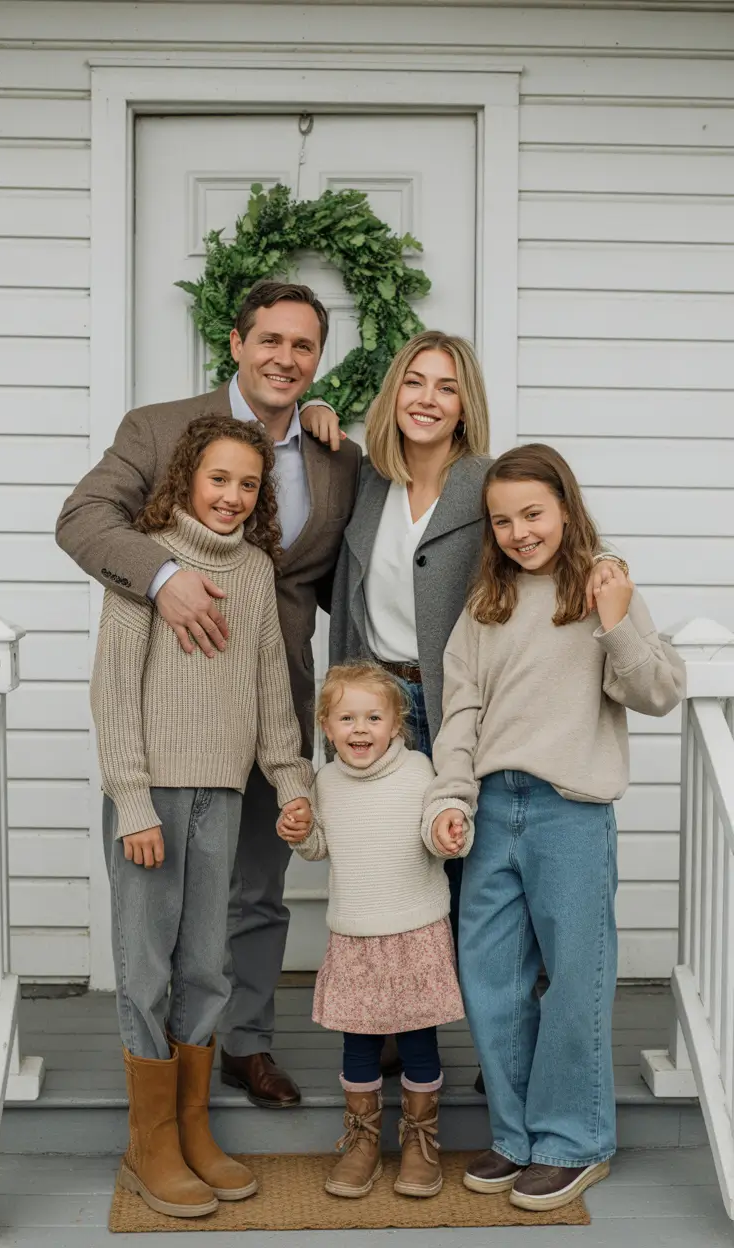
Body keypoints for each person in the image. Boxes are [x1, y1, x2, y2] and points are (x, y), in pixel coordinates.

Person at [58, 280, 360, 1108]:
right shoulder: (159, 428)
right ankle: (161, 1095)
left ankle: (247, 1045)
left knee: (258, 885)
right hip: (168, 706)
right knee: (160, 918)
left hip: (275, 696)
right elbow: (82, 517)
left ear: (317, 359)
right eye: (270, 341)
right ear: (236, 342)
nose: (284, 358)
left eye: (303, 346)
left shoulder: (338, 454)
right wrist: (163, 580)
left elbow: (355, 575)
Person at [312, 331, 629, 1079]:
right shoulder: (365, 482)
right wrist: (319, 407)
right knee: (385, 870)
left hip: (460, 703)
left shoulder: (485, 485)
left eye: (446, 387)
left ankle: (507, 1048)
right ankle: (390, 1028)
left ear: (465, 406)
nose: (427, 399)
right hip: (378, 704)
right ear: (393, 396)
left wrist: (608, 563)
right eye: (414, 382)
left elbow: (550, 542)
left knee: (480, 881)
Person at [424, 444, 686, 1212]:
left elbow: (659, 691)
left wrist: (615, 623)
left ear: (565, 508)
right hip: (491, 810)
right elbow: (462, 710)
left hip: (570, 812)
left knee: (574, 981)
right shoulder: (487, 603)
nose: (518, 531)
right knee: (490, 979)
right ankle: (516, 1135)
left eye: (532, 514)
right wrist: (450, 797)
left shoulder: (605, 587)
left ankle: (574, 1141)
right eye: (502, 520)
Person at [92, 415, 314, 1218]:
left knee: (206, 966)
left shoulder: (254, 571)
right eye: (218, 478)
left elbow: (267, 692)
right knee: (147, 968)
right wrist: (132, 800)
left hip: (222, 794)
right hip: (150, 799)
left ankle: (192, 1129)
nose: (231, 495)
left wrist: (292, 782)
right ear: (187, 477)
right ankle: (148, 1145)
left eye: (248, 484)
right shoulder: (145, 563)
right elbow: (113, 693)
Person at [278, 662, 468, 1201]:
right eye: (346, 718)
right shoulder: (325, 783)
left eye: (373, 717)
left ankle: (419, 1138)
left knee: (417, 1040)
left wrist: (447, 830)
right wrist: (300, 832)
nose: (360, 729)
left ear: (396, 724)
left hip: (415, 931)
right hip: (356, 936)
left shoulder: (418, 772)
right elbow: (319, 848)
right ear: (327, 727)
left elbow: (436, 827)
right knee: (358, 1044)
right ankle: (363, 1140)